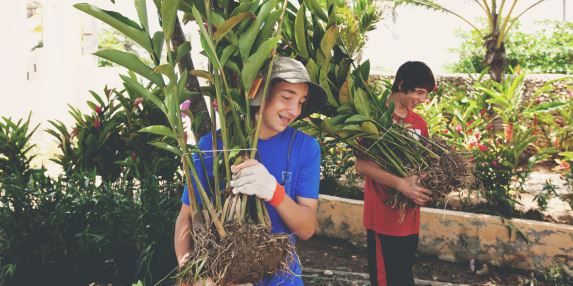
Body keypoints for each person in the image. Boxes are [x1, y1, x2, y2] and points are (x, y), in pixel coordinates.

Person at [174, 56, 327, 285]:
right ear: (260, 93)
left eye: (301, 102)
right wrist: (189, 270)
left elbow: (306, 229)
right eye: (286, 97)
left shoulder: (305, 148)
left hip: (282, 279)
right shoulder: (212, 146)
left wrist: (275, 192)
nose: (294, 110)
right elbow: (186, 217)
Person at [355, 61, 436, 286]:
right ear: (401, 85)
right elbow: (361, 165)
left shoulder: (419, 123)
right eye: (419, 92)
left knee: (403, 278)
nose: (422, 100)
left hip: (410, 216)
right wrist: (400, 184)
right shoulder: (374, 119)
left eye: (426, 94)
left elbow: (424, 164)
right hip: (383, 217)